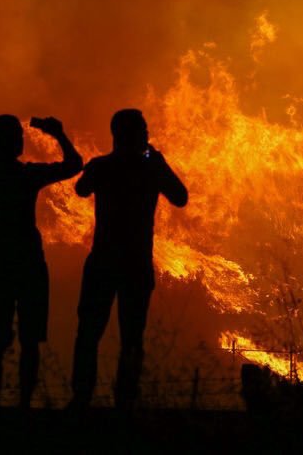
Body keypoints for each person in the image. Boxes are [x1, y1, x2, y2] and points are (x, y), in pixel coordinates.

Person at [0, 115, 83, 408]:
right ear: (8, 141)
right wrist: (59, 135)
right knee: (30, 340)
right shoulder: (26, 175)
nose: (21, 141)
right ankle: (24, 402)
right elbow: (74, 165)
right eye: (17, 137)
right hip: (30, 266)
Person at [70, 108, 187, 412]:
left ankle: (81, 398)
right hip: (135, 264)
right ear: (136, 135)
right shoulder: (151, 169)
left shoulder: (101, 166)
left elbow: (81, 189)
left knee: (88, 334)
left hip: (103, 261)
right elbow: (180, 197)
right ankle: (125, 401)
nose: (148, 135)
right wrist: (157, 161)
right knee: (132, 337)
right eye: (144, 131)